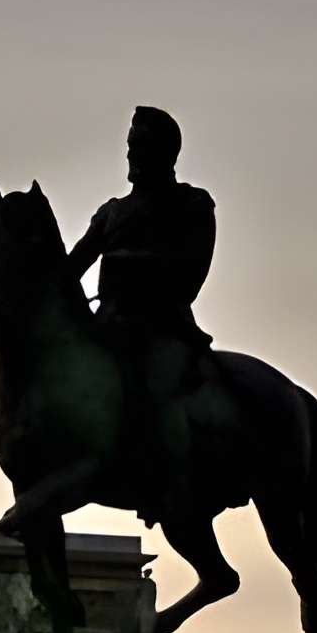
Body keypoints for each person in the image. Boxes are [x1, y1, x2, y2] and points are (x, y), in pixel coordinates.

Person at [65, 105, 219, 517]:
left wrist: (132, 266)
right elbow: (69, 271)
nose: (132, 155)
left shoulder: (192, 205)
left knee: (160, 392)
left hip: (163, 331)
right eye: (130, 146)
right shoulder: (111, 212)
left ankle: (171, 476)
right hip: (107, 329)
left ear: (166, 153)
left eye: (142, 147)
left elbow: (191, 275)